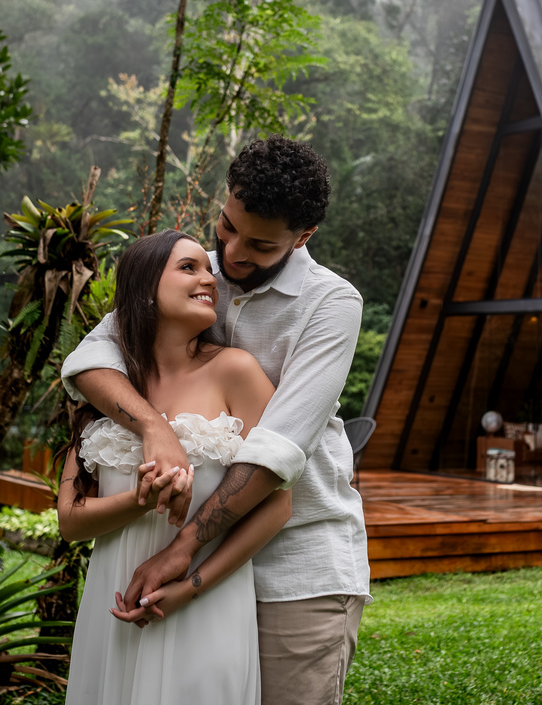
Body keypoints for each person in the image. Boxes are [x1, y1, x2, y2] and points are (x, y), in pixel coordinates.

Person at [62, 136, 370, 705]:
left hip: (293, 565)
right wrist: (154, 427)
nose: (231, 254)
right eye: (227, 226)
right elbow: (88, 359)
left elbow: (275, 453)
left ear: (303, 237)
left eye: (259, 244)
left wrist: (182, 554)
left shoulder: (331, 305)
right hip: (187, 558)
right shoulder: (195, 273)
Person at [58, 229, 288, 705]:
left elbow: (279, 504)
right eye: (189, 268)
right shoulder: (108, 389)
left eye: (208, 270)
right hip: (113, 603)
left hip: (203, 605)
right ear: (144, 289)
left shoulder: (235, 371)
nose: (209, 279)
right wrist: (143, 497)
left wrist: (191, 587)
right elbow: (71, 522)